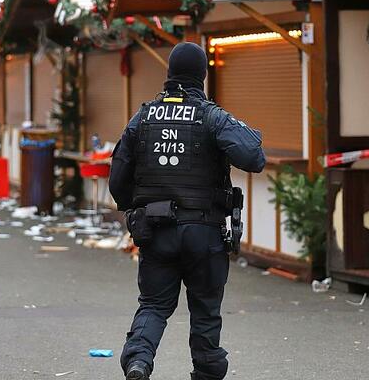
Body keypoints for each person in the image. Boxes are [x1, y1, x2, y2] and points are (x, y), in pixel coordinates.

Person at [109, 42, 265, 380]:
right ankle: (207, 372)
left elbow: (118, 177)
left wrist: (133, 210)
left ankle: (138, 360)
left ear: (169, 74)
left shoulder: (144, 117)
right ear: (203, 75)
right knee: (205, 311)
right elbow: (254, 157)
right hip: (204, 233)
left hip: (155, 228)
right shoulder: (211, 115)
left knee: (153, 305)